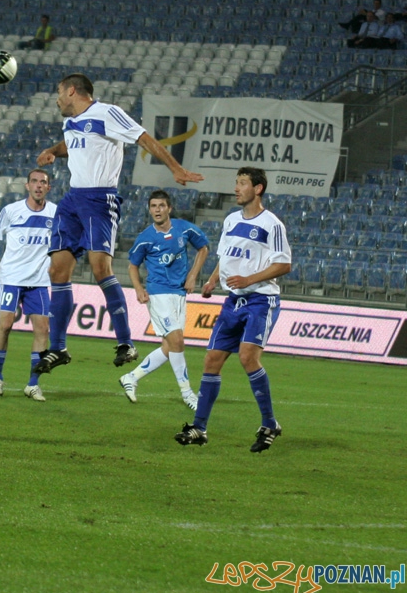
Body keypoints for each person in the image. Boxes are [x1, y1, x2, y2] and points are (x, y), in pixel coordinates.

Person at [32, 73, 202, 377]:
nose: (57, 99)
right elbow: (72, 144)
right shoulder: (71, 122)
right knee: (57, 270)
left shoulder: (107, 113)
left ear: (72, 90)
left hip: (100, 199)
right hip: (72, 199)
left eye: (59, 92)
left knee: (100, 269)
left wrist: (175, 168)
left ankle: (126, 342)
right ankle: (58, 347)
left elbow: (144, 138)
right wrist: (53, 151)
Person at [174, 167, 291, 452]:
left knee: (248, 356)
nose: (236, 188)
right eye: (236, 183)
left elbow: (284, 264)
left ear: (258, 189)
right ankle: (199, 427)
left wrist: (250, 279)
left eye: (242, 183)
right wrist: (213, 280)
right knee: (211, 361)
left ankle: (269, 423)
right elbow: (225, 258)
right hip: (232, 301)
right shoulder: (230, 221)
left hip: (261, 300)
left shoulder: (272, 224)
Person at [120, 190, 209, 410]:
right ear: (149, 209)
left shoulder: (184, 228)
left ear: (169, 208)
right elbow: (132, 265)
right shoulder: (145, 238)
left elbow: (204, 247)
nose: (157, 210)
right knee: (177, 342)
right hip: (158, 293)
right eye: (153, 206)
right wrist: (139, 288)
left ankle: (131, 377)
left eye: (161, 206)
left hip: (179, 293)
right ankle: (188, 394)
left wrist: (193, 275)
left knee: (170, 347)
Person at [0, 169, 57, 401]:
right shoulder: (11, 211)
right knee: (5, 326)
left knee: (42, 330)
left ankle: (32, 383)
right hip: (11, 278)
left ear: (48, 188)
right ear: (27, 185)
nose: (39, 186)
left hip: (39, 281)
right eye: (35, 181)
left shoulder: (56, 213)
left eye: (43, 182)